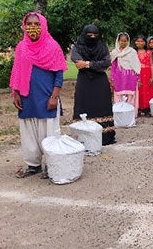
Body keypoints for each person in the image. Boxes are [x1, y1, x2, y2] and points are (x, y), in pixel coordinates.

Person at [10, 12, 67, 178]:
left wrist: (54, 96)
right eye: (29, 24)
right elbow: (17, 71)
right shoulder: (21, 47)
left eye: (36, 24)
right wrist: (16, 93)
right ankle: (33, 165)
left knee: (49, 132)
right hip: (27, 97)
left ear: (43, 25)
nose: (32, 27)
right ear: (24, 26)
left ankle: (51, 165)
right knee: (28, 132)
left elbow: (59, 73)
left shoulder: (52, 46)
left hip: (46, 97)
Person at [71, 24, 116, 145]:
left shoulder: (102, 46)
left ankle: (105, 137)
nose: (92, 37)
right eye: (89, 35)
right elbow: (76, 60)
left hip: (100, 82)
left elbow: (106, 63)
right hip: (84, 82)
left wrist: (87, 64)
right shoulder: (77, 47)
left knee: (102, 106)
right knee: (83, 106)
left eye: (95, 35)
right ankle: (83, 137)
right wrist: (96, 64)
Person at [110, 32, 141, 118]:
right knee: (118, 96)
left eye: (125, 41)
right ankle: (120, 117)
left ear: (128, 41)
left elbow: (137, 67)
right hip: (119, 78)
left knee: (130, 96)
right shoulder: (114, 52)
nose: (123, 42)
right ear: (118, 41)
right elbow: (113, 67)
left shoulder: (132, 52)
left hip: (130, 78)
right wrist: (112, 78)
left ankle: (130, 116)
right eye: (121, 41)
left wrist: (138, 79)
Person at [135, 35, 153, 115]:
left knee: (148, 89)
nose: (140, 43)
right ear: (135, 42)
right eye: (138, 41)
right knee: (139, 90)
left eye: (142, 41)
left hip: (148, 73)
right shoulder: (134, 53)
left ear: (145, 42)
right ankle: (139, 108)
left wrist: (152, 76)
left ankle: (147, 108)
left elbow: (151, 64)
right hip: (138, 73)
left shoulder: (149, 52)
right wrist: (136, 78)